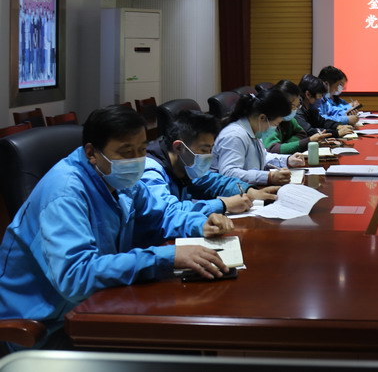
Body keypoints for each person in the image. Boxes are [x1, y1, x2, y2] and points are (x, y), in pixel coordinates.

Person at [0, 105, 234, 353]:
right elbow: (76, 277)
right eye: (126, 152)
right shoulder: (64, 194)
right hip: (45, 328)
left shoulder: (116, 177)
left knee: (187, 329)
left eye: (142, 149)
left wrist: (200, 223)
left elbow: (160, 214)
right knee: (176, 343)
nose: (137, 160)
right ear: (92, 153)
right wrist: (166, 257)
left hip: (97, 303)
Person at [143, 110, 279, 216]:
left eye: (210, 149)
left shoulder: (184, 165)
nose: (208, 155)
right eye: (203, 150)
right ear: (179, 147)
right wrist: (223, 204)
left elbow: (211, 181)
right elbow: (168, 211)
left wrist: (249, 190)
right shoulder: (151, 173)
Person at [211, 89, 305, 186]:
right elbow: (229, 173)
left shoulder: (254, 131)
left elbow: (263, 156)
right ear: (262, 118)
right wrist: (268, 177)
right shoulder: (234, 136)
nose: (274, 128)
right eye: (275, 124)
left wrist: (288, 160)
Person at [261, 80, 333, 154]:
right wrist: (308, 141)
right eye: (294, 106)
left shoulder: (290, 120)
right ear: (282, 104)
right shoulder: (270, 121)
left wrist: (287, 145)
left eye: (298, 106)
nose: (296, 110)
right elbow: (272, 148)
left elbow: (302, 134)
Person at [295, 74, 354, 139]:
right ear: (308, 94)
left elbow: (322, 122)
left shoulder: (311, 108)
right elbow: (309, 131)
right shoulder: (297, 110)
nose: (321, 99)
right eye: (320, 96)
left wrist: (337, 126)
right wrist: (336, 133)